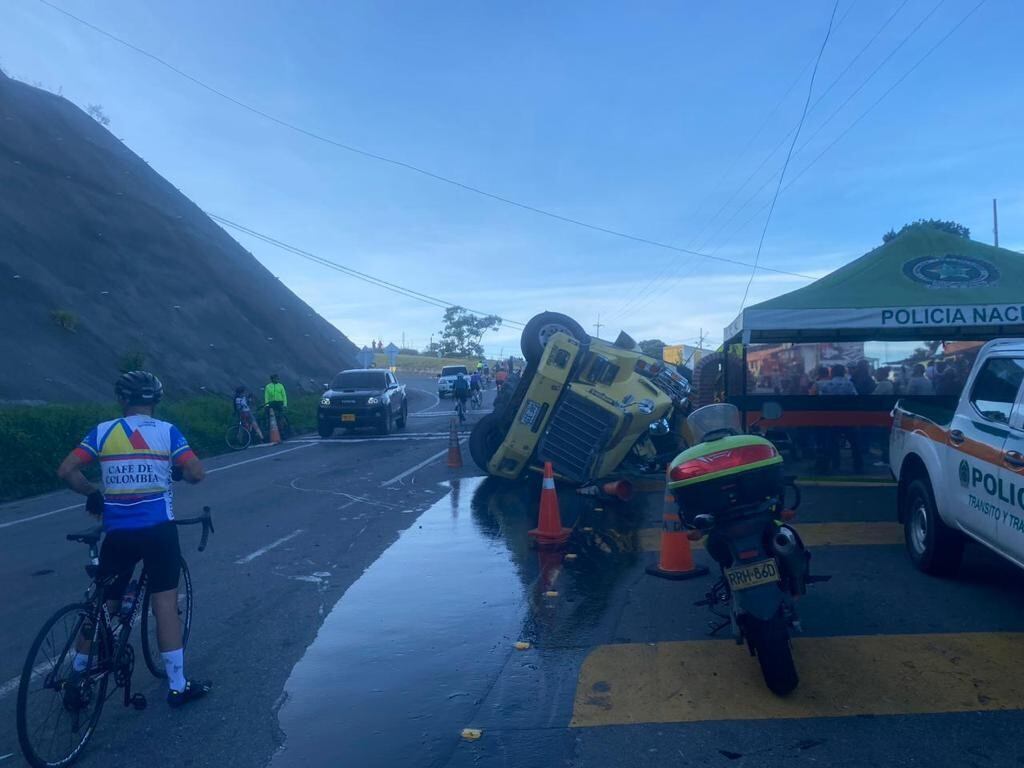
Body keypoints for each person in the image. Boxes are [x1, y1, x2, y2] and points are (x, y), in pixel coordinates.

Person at [56, 371, 211, 707]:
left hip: (119, 533)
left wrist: (93, 492)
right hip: (158, 531)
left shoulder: (103, 432)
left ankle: (78, 676)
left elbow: (66, 470)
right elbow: (196, 472)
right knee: (165, 604)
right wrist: (178, 473)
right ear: (155, 400)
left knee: (103, 604)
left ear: (122, 401)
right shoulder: (167, 432)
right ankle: (177, 685)